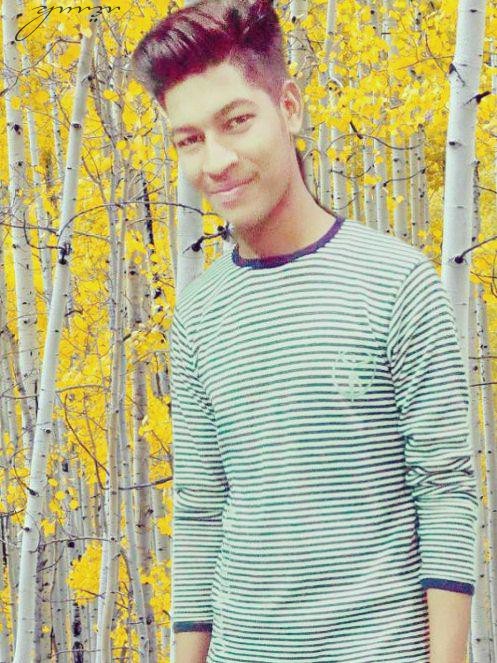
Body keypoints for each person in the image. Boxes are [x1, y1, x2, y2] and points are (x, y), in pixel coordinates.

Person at [131, 1, 478, 661]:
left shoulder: (396, 283)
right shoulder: (198, 315)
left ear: (288, 108)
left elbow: (444, 490)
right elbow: (201, 511)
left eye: (236, 121)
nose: (216, 160)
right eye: (189, 139)